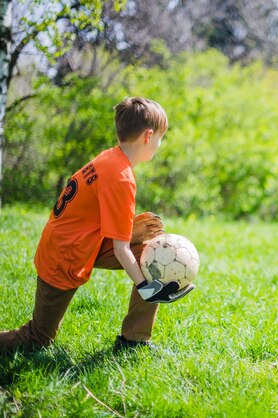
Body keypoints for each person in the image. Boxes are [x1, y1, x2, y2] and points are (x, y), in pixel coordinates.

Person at [0, 97, 194, 353]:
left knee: (153, 251)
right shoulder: (121, 177)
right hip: (64, 255)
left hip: (83, 243)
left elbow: (99, 220)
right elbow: (120, 250)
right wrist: (147, 287)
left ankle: (133, 340)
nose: (160, 144)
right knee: (37, 339)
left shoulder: (111, 158)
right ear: (148, 136)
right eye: (161, 137)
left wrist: (136, 237)